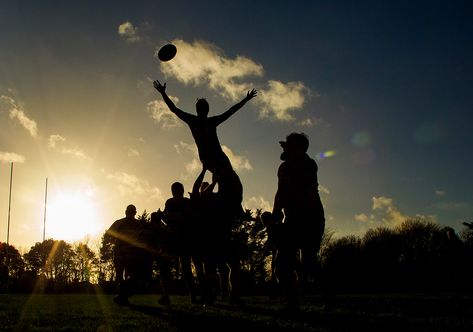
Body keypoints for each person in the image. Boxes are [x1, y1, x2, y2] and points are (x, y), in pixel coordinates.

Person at [153, 80, 257, 173]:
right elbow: (174, 109)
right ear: (203, 110)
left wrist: (246, 99)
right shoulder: (197, 121)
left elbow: (230, 111)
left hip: (217, 158)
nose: (203, 111)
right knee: (225, 180)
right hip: (210, 159)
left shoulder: (203, 121)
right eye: (202, 108)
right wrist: (163, 93)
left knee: (228, 181)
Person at [271, 132, 325, 310]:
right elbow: (282, 193)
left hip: (309, 218)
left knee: (307, 262)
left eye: (288, 144)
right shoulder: (290, 165)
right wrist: (277, 213)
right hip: (296, 219)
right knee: (282, 264)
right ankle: (293, 302)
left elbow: (286, 191)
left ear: (299, 147)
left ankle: (325, 296)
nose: (284, 147)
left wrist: (277, 212)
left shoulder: (306, 164)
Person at [162, 181, 199, 303]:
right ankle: (166, 295)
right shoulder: (170, 202)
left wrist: (174, 217)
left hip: (184, 239)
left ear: (182, 190)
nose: (176, 192)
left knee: (186, 269)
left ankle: (192, 295)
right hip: (173, 238)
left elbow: (191, 217)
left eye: (177, 190)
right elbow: (167, 218)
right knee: (166, 267)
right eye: (174, 190)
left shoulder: (187, 202)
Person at [107, 204, 149, 305]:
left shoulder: (138, 224)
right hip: (120, 252)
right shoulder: (119, 223)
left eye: (132, 211)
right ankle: (121, 296)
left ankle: (122, 296)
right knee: (120, 276)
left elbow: (143, 237)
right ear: (126, 212)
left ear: (134, 213)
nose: (130, 213)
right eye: (129, 211)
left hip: (132, 254)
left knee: (130, 276)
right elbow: (109, 234)